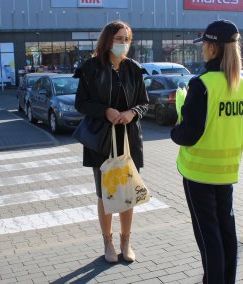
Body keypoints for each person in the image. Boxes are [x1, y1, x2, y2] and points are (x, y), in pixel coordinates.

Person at [171, 20, 243, 284]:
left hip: (198, 175)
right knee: (227, 233)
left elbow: (188, 134)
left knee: (209, 238)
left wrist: (177, 121)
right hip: (227, 173)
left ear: (213, 49)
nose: (202, 50)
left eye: (205, 45)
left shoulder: (202, 85)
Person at [74, 20, 149, 263]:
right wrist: (105, 111)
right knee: (104, 193)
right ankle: (107, 243)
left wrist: (132, 113)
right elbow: (81, 104)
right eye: (119, 39)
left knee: (128, 192)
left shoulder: (134, 69)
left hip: (128, 139)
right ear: (107, 40)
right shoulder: (90, 68)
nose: (123, 44)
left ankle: (125, 241)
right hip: (102, 139)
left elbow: (144, 103)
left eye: (127, 39)